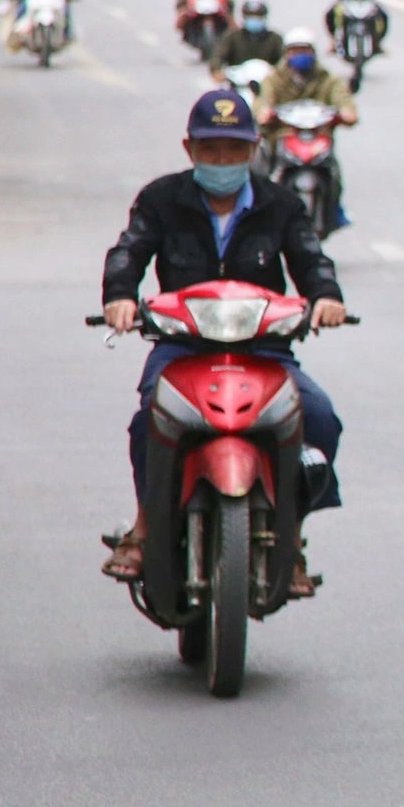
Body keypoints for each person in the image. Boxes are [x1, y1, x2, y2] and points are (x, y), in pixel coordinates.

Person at [98, 91, 347, 592]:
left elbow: (310, 258)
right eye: (211, 149)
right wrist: (120, 296)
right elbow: (129, 251)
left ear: (253, 148)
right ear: (190, 150)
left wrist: (326, 297)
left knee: (318, 417)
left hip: (263, 349)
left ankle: (292, 538)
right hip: (183, 346)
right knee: (150, 420)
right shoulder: (160, 199)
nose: (222, 160)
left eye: (233, 149)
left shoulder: (280, 203)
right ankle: (144, 529)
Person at [256, 30, 358, 225]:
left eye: (304, 50)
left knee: (334, 174)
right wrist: (264, 112)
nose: (299, 55)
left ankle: (334, 211)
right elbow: (263, 102)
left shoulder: (327, 79)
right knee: (260, 175)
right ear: (287, 54)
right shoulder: (274, 79)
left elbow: (344, 100)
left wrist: (347, 112)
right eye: (295, 50)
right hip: (282, 137)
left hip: (318, 137)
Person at [208, 0, 284, 78]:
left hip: (266, 82)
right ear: (244, 17)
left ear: (264, 17)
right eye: (250, 16)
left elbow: (283, 59)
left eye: (258, 16)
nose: (254, 19)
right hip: (237, 81)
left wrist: (279, 72)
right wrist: (216, 70)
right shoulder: (232, 37)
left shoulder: (275, 39)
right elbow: (218, 56)